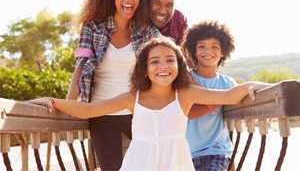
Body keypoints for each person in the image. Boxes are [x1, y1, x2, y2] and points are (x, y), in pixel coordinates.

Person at [33, 37, 269, 171]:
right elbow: (91, 109)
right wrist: (53, 101)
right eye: (154, 61)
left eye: (169, 60)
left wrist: (256, 85)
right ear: (144, 70)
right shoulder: (133, 97)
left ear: (178, 66)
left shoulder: (184, 94)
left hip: (175, 165)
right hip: (139, 165)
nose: (163, 66)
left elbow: (228, 96)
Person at [66, 0, 160, 170]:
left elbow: (170, 58)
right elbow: (80, 67)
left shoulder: (147, 32)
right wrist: (69, 103)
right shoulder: (93, 28)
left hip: (138, 112)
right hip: (101, 113)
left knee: (153, 164)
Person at [183, 21, 237, 171]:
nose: (208, 51)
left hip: (216, 150)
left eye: (215, 47)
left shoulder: (228, 83)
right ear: (193, 50)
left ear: (223, 51)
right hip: (187, 153)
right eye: (201, 46)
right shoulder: (185, 80)